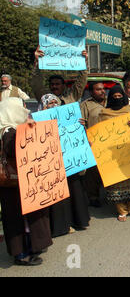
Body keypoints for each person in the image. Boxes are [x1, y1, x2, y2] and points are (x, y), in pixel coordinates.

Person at [0, 97, 52, 266]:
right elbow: (16, 150)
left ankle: (29, 247)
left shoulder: (10, 129)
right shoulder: (8, 132)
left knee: (22, 216)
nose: (24, 111)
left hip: (19, 183)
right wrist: (30, 131)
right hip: (14, 185)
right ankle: (22, 254)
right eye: (21, 108)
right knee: (17, 218)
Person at [38, 94, 91, 236]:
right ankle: (61, 226)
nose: (54, 105)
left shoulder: (69, 118)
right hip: (51, 166)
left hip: (70, 164)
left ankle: (78, 221)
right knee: (58, 198)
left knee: (74, 192)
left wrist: (79, 126)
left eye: (56, 102)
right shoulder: (38, 121)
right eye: (50, 103)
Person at [99, 85, 130, 221]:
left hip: (129, 152)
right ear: (110, 98)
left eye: (119, 96)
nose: (117, 99)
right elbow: (99, 133)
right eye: (114, 97)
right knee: (116, 181)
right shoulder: (104, 113)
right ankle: (121, 210)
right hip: (112, 154)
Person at [80, 82, 107, 208]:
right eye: (98, 89)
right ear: (91, 92)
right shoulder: (85, 105)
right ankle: (93, 196)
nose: (102, 91)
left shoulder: (110, 102)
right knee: (93, 173)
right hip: (93, 144)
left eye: (103, 89)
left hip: (109, 143)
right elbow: (81, 125)